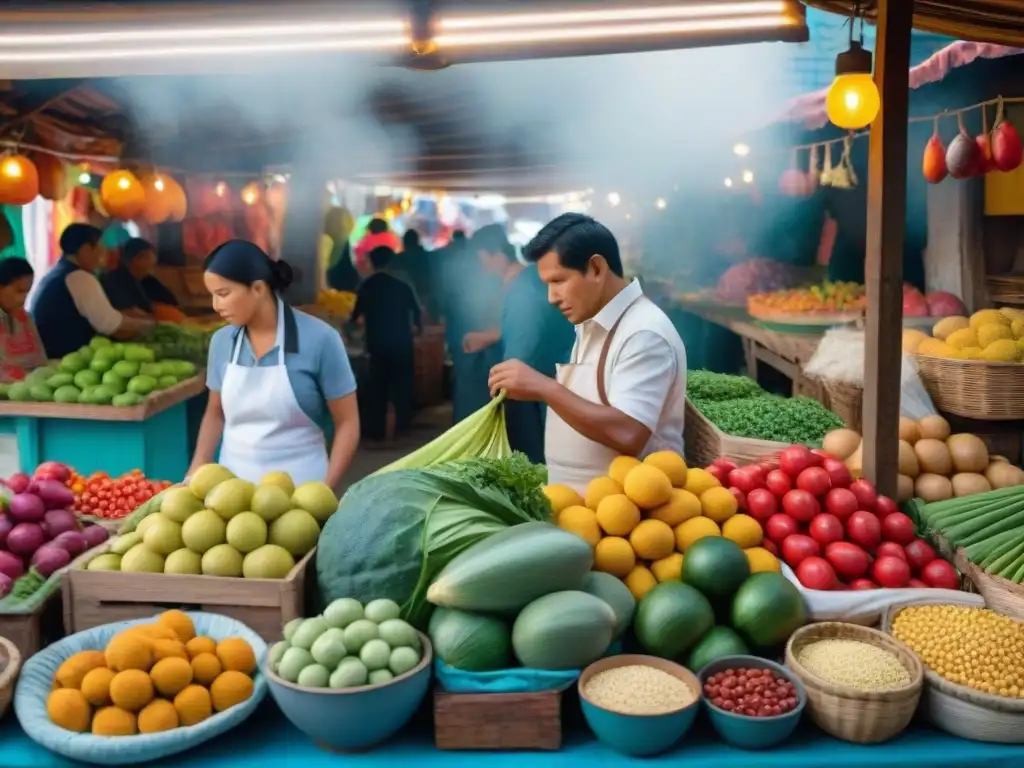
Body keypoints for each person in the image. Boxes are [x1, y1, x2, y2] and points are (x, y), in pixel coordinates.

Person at [489, 213, 687, 492]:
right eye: (547, 284)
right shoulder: (594, 321)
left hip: (626, 519)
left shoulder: (643, 332)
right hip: (584, 509)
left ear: (596, 268)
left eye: (558, 281)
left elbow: (629, 432)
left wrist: (544, 388)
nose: (551, 297)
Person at [187, 240, 360, 489]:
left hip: (301, 493)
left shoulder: (321, 340)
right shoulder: (222, 342)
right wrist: (197, 467)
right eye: (212, 295)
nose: (216, 306)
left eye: (223, 294)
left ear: (258, 288)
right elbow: (215, 413)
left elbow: (348, 422)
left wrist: (326, 488)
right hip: (231, 496)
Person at [465, 225, 574, 463]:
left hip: (536, 392)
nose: (480, 266)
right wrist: (488, 337)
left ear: (496, 254)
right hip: (559, 384)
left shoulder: (523, 288)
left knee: (536, 464)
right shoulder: (531, 280)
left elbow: (520, 350)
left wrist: (502, 389)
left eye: (480, 258)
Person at [30, 223, 154, 358]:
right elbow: (109, 324)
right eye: (101, 248)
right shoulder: (79, 277)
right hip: (64, 357)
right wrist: (152, 325)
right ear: (86, 249)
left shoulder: (57, 272)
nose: (103, 255)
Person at [351, 245, 422, 441]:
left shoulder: (367, 286)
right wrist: (417, 329)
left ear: (372, 262)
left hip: (377, 343)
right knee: (402, 384)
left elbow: (355, 317)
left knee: (378, 387)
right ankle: (401, 427)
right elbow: (416, 313)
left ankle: (377, 429)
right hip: (402, 343)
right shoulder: (402, 285)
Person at [100, 238, 183, 321]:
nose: (154, 262)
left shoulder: (145, 279)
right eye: (149, 258)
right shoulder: (115, 280)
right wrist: (160, 319)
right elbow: (128, 312)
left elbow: (169, 303)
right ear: (136, 259)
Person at [0, 258, 46, 382]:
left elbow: (41, 360)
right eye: (19, 291)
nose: (22, 299)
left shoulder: (25, 319)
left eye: (27, 292)